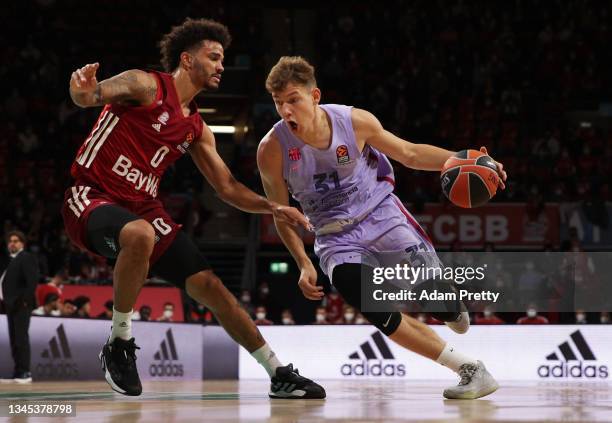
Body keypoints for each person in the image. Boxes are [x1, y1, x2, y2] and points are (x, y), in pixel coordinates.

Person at [62, 19, 324, 399]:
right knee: (141, 233)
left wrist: (273, 207)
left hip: (142, 207)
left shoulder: (196, 128)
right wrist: (81, 89)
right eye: (214, 57)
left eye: (222, 59)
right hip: (91, 195)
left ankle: (278, 372)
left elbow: (227, 187)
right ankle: (119, 342)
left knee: (212, 287)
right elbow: (88, 96)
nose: (221, 65)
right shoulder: (144, 84)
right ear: (187, 60)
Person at [257, 56, 508, 399]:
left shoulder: (354, 121)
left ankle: (450, 308)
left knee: (433, 297)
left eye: (293, 100)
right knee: (377, 310)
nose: (286, 111)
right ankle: (470, 369)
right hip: (335, 238)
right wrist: (302, 262)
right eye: (278, 103)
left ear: (315, 96)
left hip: (381, 215)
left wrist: (475, 162)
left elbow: (411, 154)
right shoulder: (272, 149)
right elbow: (281, 213)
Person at [0, 230, 39, 383]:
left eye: (16, 240)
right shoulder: (10, 260)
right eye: (10, 241)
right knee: (14, 339)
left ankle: (25, 372)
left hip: (21, 304)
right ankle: (18, 372)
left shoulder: (26, 258)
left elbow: (32, 281)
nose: (12, 243)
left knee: (21, 338)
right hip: (10, 305)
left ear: (22, 243)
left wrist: (25, 300)